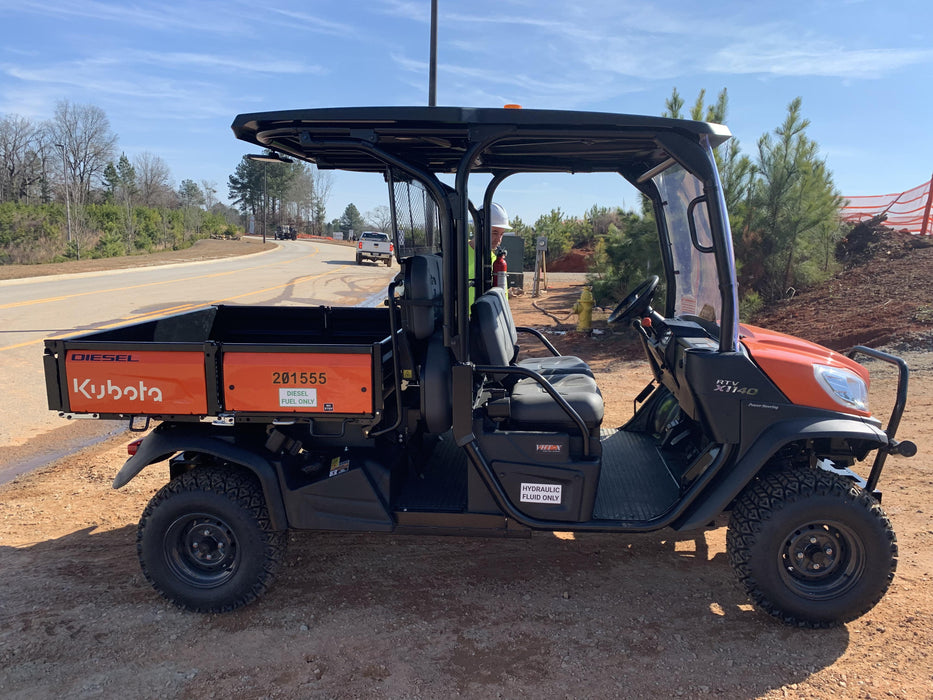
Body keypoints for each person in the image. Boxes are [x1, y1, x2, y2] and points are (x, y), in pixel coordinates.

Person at [469, 202, 511, 304]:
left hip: (486, 319)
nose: (499, 239)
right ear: (478, 227)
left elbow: (502, 296)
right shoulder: (457, 254)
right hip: (460, 318)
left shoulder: (496, 262)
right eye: (494, 232)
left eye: (501, 234)